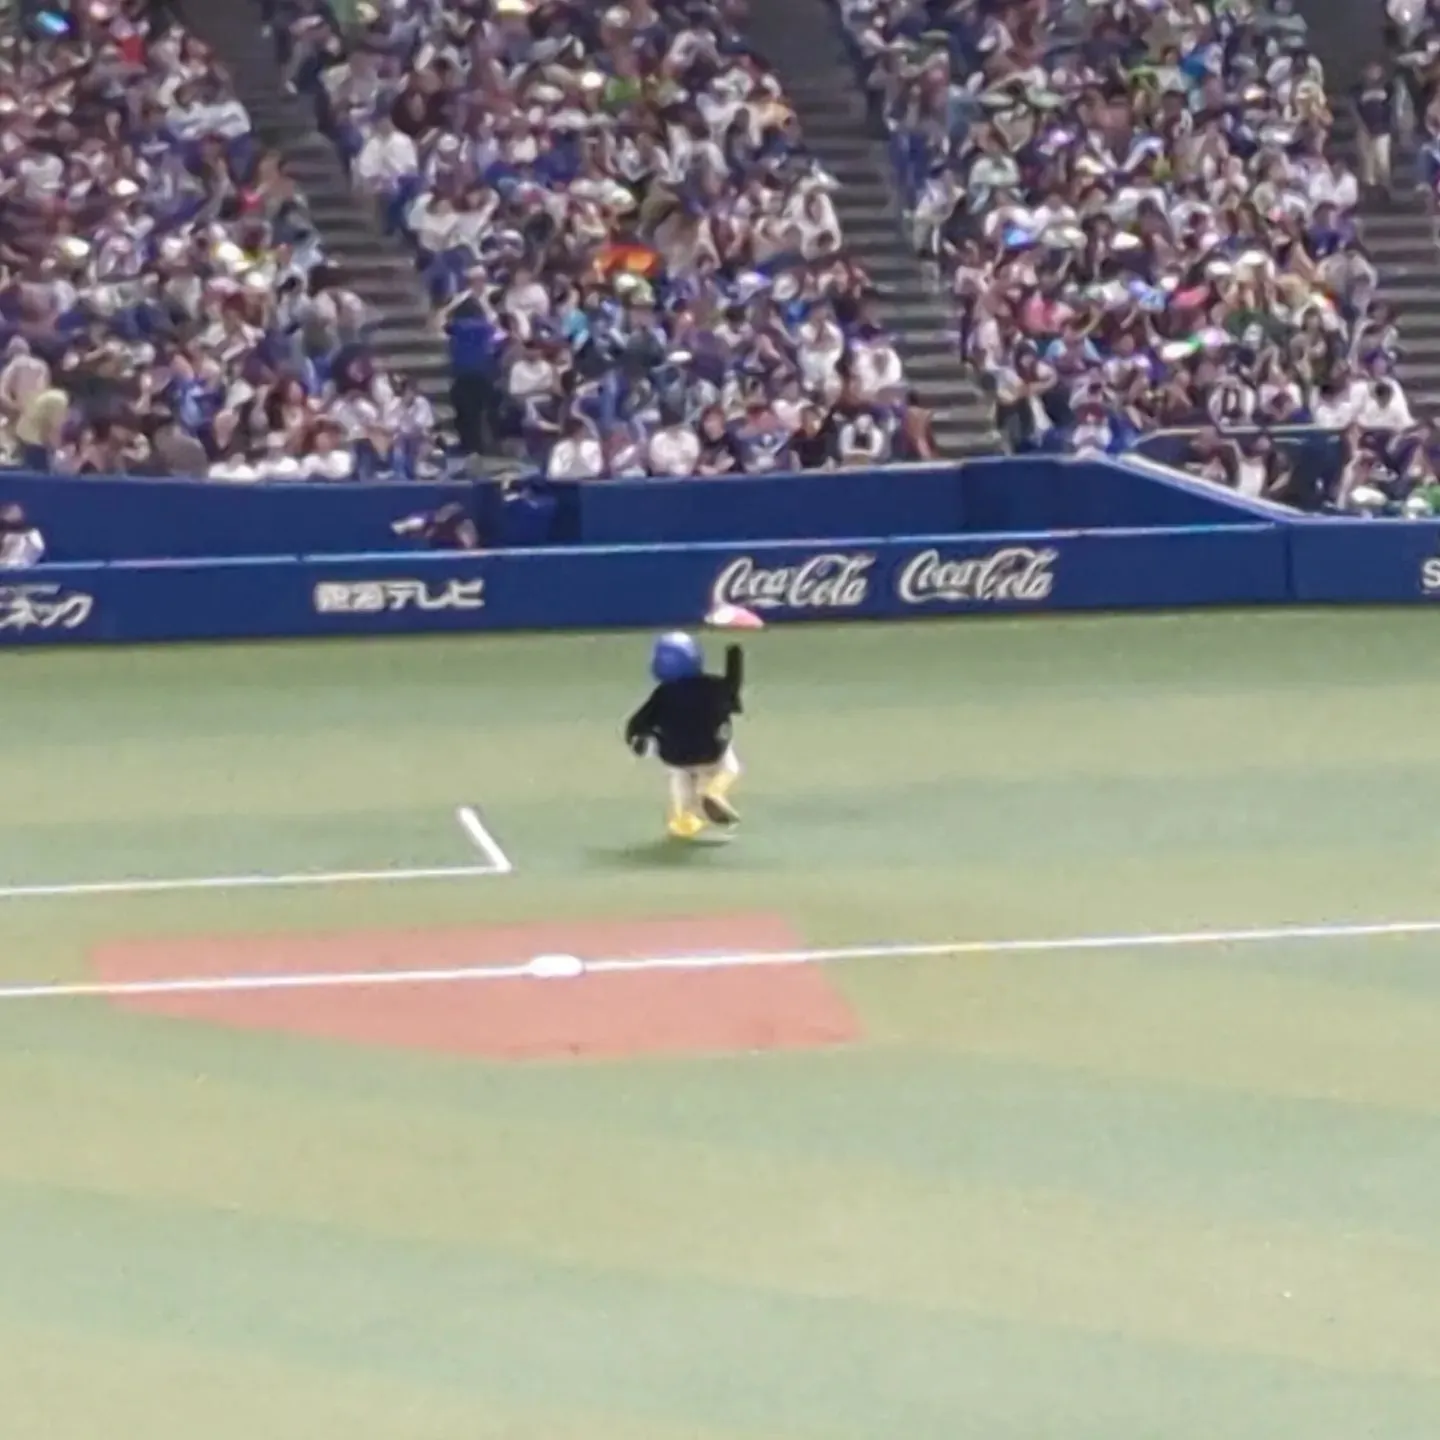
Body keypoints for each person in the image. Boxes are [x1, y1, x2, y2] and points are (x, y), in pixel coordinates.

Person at [624, 633, 745, 841]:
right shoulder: (714, 686)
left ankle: (683, 820)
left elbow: (637, 724)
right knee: (730, 767)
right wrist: (734, 651)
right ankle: (714, 790)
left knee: (681, 780)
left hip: (675, 755)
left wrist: (639, 739)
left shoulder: (662, 694)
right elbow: (733, 686)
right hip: (711, 751)